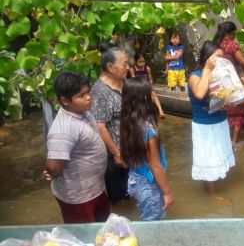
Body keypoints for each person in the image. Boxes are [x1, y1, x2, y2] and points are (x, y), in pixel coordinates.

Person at [44, 71, 110, 223]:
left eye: (88, 92)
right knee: (83, 236)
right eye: (81, 95)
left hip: (95, 188)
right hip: (78, 196)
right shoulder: (63, 129)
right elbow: (53, 167)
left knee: (103, 230)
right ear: (65, 101)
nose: (88, 97)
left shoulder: (83, 113)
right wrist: (50, 171)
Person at [120, 77, 174, 221]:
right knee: (152, 223)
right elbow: (155, 166)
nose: (154, 94)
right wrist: (167, 193)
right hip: (148, 186)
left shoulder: (128, 121)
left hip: (135, 179)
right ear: (143, 97)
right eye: (151, 92)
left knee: (147, 217)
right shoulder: (148, 130)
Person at [187, 41, 235, 195]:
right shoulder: (195, 76)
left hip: (220, 121)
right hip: (204, 126)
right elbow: (200, 94)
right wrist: (207, 69)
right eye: (217, 57)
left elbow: (228, 98)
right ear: (207, 58)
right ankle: (212, 194)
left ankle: (214, 188)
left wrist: (228, 105)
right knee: (207, 159)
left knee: (218, 157)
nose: (221, 60)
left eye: (223, 57)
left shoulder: (220, 75)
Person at [91, 45, 130, 205]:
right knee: (119, 197)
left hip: (129, 148)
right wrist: (116, 153)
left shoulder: (123, 82)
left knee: (132, 191)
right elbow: (100, 126)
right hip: (113, 155)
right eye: (124, 64)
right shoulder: (100, 91)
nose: (128, 67)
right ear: (110, 67)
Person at [213, 21, 244, 147]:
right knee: (238, 113)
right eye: (234, 32)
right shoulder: (232, 46)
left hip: (217, 86)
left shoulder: (214, 45)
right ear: (230, 33)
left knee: (223, 112)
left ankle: (222, 141)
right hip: (232, 85)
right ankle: (234, 142)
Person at [129, 52, 166, 118]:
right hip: (137, 87)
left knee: (153, 94)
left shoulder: (147, 68)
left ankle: (160, 111)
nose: (142, 64)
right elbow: (134, 81)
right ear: (135, 61)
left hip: (146, 87)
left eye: (143, 62)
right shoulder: (132, 69)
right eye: (140, 62)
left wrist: (150, 86)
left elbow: (150, 79)